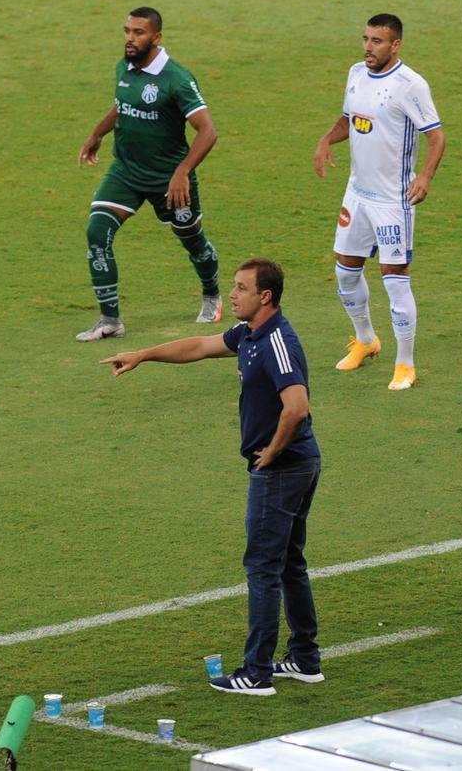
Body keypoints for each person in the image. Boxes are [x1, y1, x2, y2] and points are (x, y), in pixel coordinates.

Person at [102, 258, 323, 696]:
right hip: (295, 464)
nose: (233, 294)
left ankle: (256, 672)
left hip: (282, 468)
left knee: (263, 567)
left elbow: (297, 407)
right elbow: (200, 346)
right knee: (288, 562)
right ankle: (304, 658)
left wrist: (272, 453)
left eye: (241, 288)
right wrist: (144, 355)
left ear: (265, 297)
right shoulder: (249, 335)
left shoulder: (277, 340)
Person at [314, 13, 446, 390]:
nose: (368, 47)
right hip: (357, 193)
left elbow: (436, 137)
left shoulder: (410, 85)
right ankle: (367, 340)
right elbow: (349, 120)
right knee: (345, 271)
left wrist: (424, 176)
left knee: (395, 281)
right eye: (366, 39)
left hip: (392, 199)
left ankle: (405, 364)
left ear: (396, 45)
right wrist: (326, 140)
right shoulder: (356, 73)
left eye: (377, 41)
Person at [76, 6, 223, 342]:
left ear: (156, 37)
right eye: (127, 30)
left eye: (138, 33)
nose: (130, 38)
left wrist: (182, 172)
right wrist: (97, 134)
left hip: (168, 179)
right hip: (125, 172)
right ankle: (109, 320)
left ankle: (212, 294)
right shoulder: (123, 67)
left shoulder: (177, 79)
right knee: (97, 231)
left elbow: (208, 131)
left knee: (192, 239)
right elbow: (122, 104)